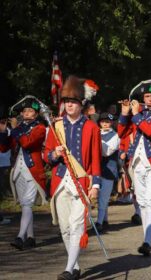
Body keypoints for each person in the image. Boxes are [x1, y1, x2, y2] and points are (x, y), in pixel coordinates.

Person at [44, 76, 101, 280]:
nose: (69, 105)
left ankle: (68, 269)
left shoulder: (91, 127)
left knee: (77, 225)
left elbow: (95, 159)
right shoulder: (55, 126)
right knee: (65, 227)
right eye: (66, 101)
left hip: (82, 182)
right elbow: (47, 156)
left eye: (73, 102)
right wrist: (54, 154)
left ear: (81, 104)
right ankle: (74, 265)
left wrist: (95, 184)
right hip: (60, 181)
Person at [118, 80, 151, 257]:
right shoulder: (136, 114)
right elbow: (121, 133)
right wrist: (125, 114)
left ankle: (147, 241)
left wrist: (135, 114)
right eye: (147, 96)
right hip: (137, 163)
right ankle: (148, 238)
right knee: (141, 202)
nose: (149, 99)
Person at [0, 97, 47, 250]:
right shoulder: (17, 128)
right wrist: (2, 131)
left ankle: (20, 236)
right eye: (25, 111)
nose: (27, 113)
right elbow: (4, 148)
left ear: (36, 115)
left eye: (30, 111)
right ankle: (31, 238)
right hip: (18, 170)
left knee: (27, 203)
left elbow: (27, 142)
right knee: (25, 206)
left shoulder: (39, 128)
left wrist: (15, 129)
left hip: (33, 171)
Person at [96, 113, 120, 232]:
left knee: (104, 197)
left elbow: (107, 152)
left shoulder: (115, 136)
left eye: (108, 122)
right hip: (96, 169)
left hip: (109, 170)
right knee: (100, 196)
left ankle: (99, 222)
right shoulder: (96, 133)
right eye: (103, 121)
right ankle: (104, 220)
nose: (105, 124)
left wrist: (96, 140)